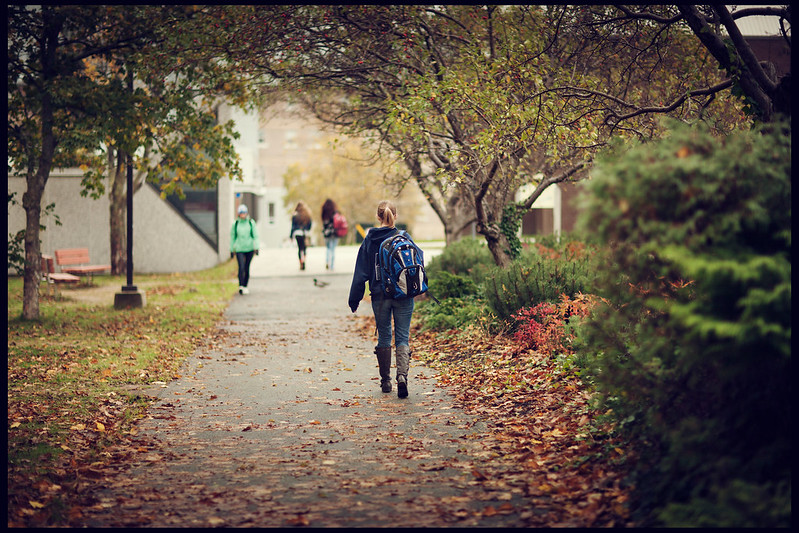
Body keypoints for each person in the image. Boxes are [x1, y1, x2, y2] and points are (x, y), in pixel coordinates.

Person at [348, 200, 414, 398]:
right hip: (403, 295)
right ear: (396, 215)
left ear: (378, 217)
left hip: (380, 296)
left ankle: (386, 382)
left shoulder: (370, 240)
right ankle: (402, 377)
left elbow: (361, 273)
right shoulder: (404, 237)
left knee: (384, 336)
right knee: (402, 337)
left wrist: (355, 299)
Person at [230, 204, 259, 295]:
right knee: (241, 267)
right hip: (239, 248)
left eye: (244, 213)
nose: (243, 215)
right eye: (241, 213)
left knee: (247, 267)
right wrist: (231, 249)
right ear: (239, 214)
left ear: (246, 213)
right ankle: (241, 286)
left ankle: (245, 285)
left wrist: (256, 247)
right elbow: (232, 237)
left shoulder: (251, 222)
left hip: (249, 248)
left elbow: (255, 236)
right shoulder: (236, 224)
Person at [290, 201, 312, 270]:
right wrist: (306, 229)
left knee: (300, 248)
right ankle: (304, 260)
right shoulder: (307, 214)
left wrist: (291, 236)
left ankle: (301, 262)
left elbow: (293, 227)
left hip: (297, 233)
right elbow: (309, 224)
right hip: (305, 233)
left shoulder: (295, 215)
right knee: (304, 248)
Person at [321, 198, 341, 271]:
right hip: (334, 232)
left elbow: (323, 222)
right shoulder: (335, 212)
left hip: (326, 233)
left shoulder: (324, 212)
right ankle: (332, 265)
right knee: (333, 249)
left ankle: (327, 262)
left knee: (328, 248)